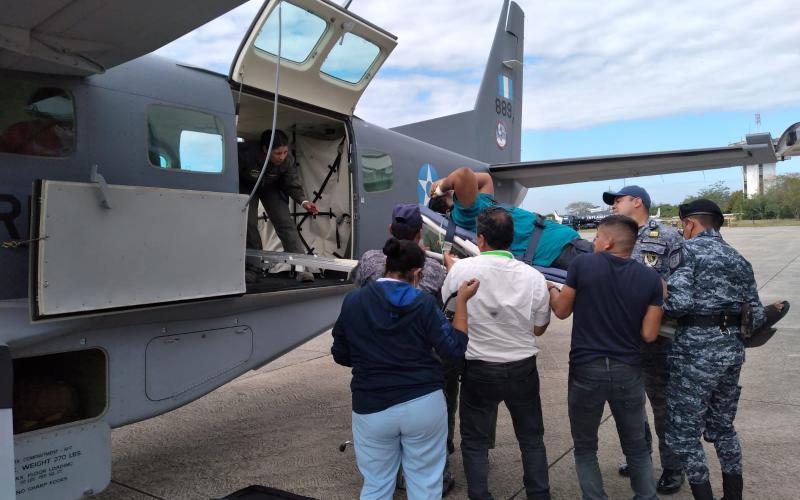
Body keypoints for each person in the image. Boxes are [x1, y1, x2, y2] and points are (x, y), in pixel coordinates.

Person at [332, 238, 479, 499]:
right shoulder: (423, 303)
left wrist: (373, 358)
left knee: (376, 485)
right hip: (423, 403)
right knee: (425, 485)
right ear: (417, 273)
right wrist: (463, 303)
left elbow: (341, 354)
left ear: (386, 265)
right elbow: (454, 350)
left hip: (371, 404)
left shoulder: (354, 300)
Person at [549, 214, 662, 500]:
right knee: (636, 446)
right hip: (628, 370)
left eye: (597, 237)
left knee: (586, 447)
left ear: (609, 241)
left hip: (587, 369)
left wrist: (551, 289)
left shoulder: (583, 265)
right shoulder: (651, 279)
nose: (594, 242)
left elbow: (562, 310)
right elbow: (649, 335)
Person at [441, 207, 552, 500]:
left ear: (480, 239)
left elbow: (450, 313)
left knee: (475, 441)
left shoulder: (462, 270)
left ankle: (480, 494)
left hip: (479, 368)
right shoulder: (534, 276)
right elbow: (540, 327)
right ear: (512, 239)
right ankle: (539, 494)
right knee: (531, 439)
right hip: (522, 368)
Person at [663, 199, 765, 500]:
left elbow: (678, 305)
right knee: (723, 428)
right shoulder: (738, 258)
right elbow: (756, 314)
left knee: (684, 434)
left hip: (694, 355)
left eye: (683, 225)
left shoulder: (686, 251)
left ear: (691, 223)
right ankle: (734, 495)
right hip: (731, 352)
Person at [351, 203, 457, 494]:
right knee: (427, 466)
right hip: (421, 376)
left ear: (390, 231)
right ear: (420, 234)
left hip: (373, 385)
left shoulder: (371, 260)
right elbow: (447, 318)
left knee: (376, 480)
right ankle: (441, 473)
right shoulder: (434, 271)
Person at [602, 185, 685, 494]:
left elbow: (682, 280)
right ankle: (640, 459)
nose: (613, 206)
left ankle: (674, 467)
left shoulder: (667, 236)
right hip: (622, 336)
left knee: (663, 405)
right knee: (629, 404)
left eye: (618, 200)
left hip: (658, 338)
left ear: (637, 202)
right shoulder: (609, 237)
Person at [428, 167, 591, 270]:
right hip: (560, 250)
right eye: (452, 194)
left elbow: (486, 179)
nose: (456, 192)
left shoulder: (482, 202)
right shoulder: (464, 215)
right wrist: (442, 186)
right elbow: (463, 175)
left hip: (565, 243)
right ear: (447, 207)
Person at [239, 129, 319, 282]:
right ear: (265, 149)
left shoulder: (287, 160)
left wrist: (304, 201)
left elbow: (292, 183)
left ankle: (300, 267)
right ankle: (252, 268)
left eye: (284, 152)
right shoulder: (246, 154)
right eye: (278, 153)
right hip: (247, 185)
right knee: (249, 223)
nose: (282, 157)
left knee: (285, 223)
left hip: (271, 187)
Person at [353, 203, 446, 295]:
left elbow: (357, 287)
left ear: (390, 229)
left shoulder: (369, 259)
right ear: (419, 235)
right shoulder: (434, 269)